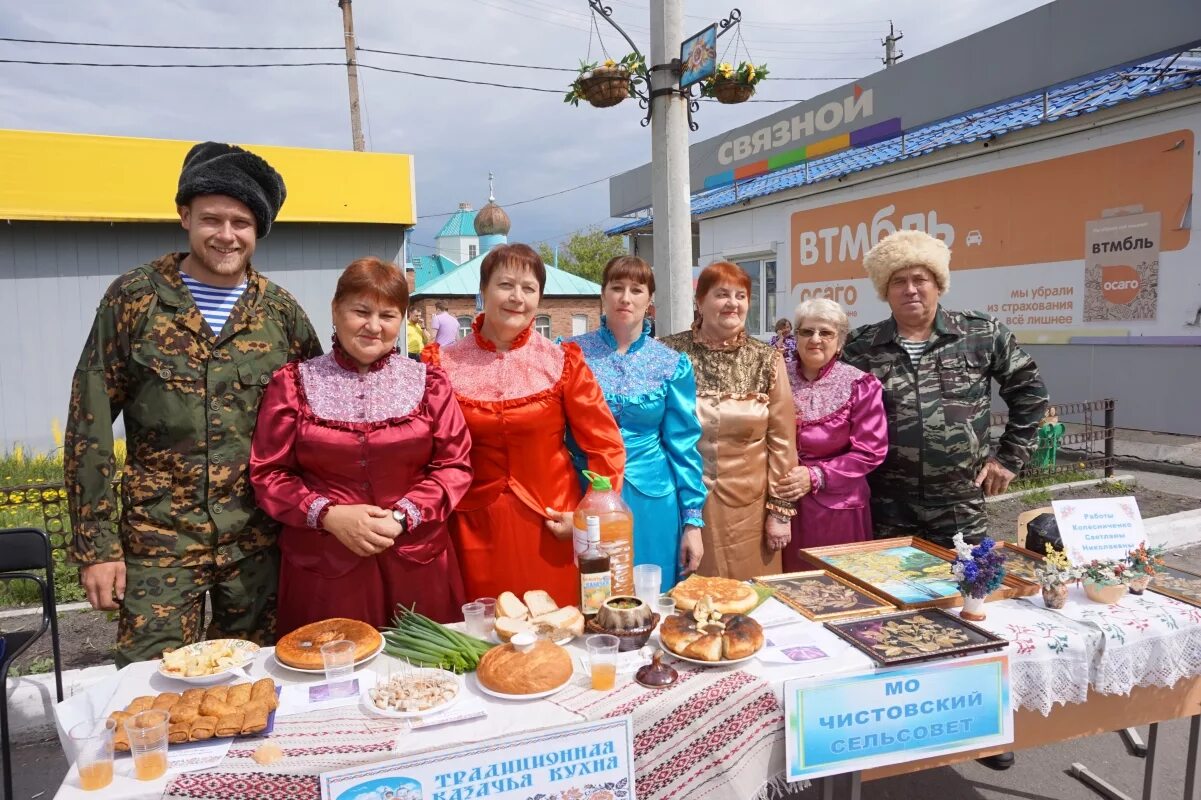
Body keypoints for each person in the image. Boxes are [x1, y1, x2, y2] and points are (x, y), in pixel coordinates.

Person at [64, 142, 322, 666]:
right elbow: (87, 424)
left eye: (241, 223)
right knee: (149, 688)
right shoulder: (134, 299)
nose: (226, 235)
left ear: (258, 231)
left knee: (255, 684)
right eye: (212, 219)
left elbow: (321, 421)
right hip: (160, 544)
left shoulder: (280, 314)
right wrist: (98, 548)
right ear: (185, 216)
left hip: (256, 545)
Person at [250, 258, 472, 632]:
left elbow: (454, 466)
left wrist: (403, 516)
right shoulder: (293, 384)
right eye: (361, 311)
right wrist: (327, 515)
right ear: (336, 311)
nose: (373, 326)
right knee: (332, 672)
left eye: (388, 315)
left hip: (416, 562)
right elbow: (268, 473)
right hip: (325, 569)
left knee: (424, 679)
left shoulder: (429, 383)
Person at [423, 243, 625, 607]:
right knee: (481, 635)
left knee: (555, 632)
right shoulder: (441, 363)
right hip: (471, 528)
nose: (517, 298)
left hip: (553, 525)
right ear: (482, 291)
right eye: (505, 285)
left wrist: (588, 514)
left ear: (540, 298)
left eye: (529, 289)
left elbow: (604, 444)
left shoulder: (562, 361)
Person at [842, 229, 1048, 553]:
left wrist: (1009, 459)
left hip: (960, 506)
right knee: (893, 591)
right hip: (888, 507)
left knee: (963, 591)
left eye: (919, 279)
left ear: (938, 284)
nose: (910, 289)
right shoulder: (860, 347)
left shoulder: (981, 333)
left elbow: (1030, 391)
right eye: (898, 281)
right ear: (885, 291)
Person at [567, 255, 707, 588]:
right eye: (617, 288)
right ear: (603, 294)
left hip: (654, 498)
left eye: (636, 289)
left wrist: (692, 522)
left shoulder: (671, 364)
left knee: (650, 595)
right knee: (591, 595)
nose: (625, 298)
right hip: (586, 493)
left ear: (650, 300)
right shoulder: (571, 354)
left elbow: (684, 445)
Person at [662, 262, 803, 580]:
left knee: (746, 608)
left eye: (741, 295)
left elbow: (782, 440)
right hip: (682, 504)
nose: (732, 303)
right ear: (699, 301)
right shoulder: (669, 353)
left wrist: (780, 512)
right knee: (686, 606)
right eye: (722, 294)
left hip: (749, 511)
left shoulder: (767, 359)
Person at [776, 299, 888, 572]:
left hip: (837, 509)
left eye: (825, 333)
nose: (815, 339)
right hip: (779, 505)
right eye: (807, 331)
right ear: (796, 337)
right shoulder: (774, 377)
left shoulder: (860, 384)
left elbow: (870, 451)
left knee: (835, 592)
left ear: (840, 342)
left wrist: (816, 476)